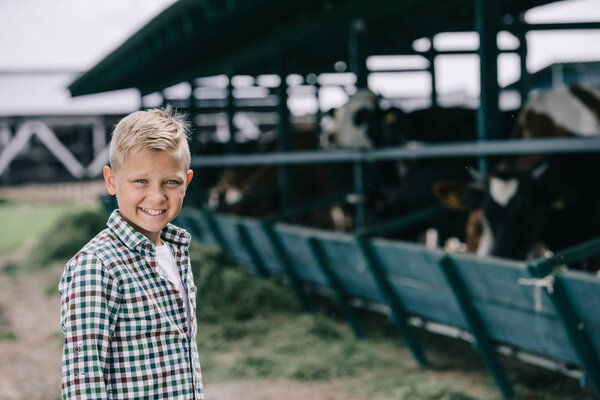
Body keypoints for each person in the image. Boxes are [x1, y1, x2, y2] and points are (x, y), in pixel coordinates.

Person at [58, 106, 203, 399]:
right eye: (141, 181)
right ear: (111, 181)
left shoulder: (176, 252)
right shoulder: (97, 266)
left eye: (170, 182)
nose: (157, 197)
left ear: (186, 183)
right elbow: (83, 376)